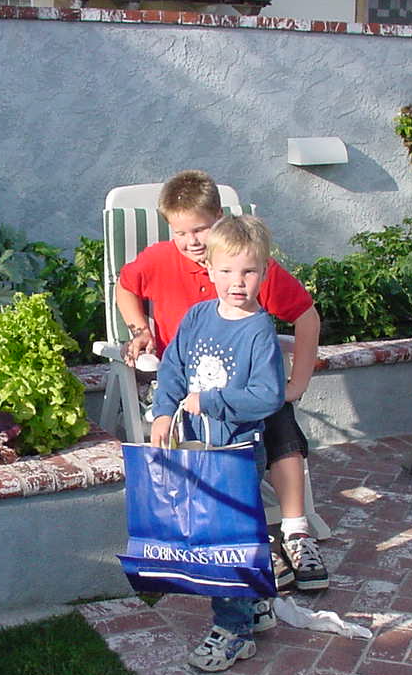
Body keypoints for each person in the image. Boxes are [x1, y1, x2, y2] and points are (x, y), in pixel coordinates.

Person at [116, 169, 329, 593]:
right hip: (190, 393)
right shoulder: (161, 261)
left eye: (202, 229)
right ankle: (248, 541)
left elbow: (306, 314)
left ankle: (295, 530)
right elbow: (126, 286)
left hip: (248, 390)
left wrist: (297, 382)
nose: (193, 241)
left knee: (281, 422)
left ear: (219, 219)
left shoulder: (243, 266)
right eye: (182, 232)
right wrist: (140, 328)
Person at [149, 214, 284, 672]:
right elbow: (172, 368)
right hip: (198, 450)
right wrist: (163, 411)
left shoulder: (258, 331)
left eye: (248, 271)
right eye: (227, 271)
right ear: (209, 270)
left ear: (264, 272)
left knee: (221, 541)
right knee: (235, 534)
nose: (237, 282)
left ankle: (233, 631)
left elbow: (268, 396)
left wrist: (211, 400)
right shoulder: (198, 317)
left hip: (238, 452)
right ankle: (256, 604)